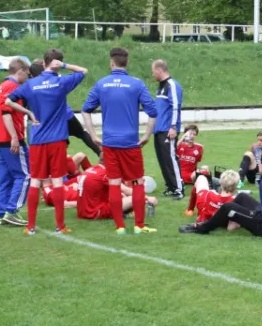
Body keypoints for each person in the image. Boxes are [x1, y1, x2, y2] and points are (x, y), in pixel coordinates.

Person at [6, 48, 87, 235]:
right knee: (57, 180)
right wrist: (65, 66)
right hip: (57, 139)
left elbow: (8, 101)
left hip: (37, 139)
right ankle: (60, 226)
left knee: (35, 180)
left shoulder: (31, 84)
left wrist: (28, 113)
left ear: (43, 63)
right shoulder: (61, 81)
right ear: (57, 63)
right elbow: (83, 71)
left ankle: (31, 227)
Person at [82, 47, 157, 235]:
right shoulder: (136, 84)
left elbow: (85, 110)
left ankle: (120, 227)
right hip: (130, 143)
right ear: (127, 62)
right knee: (138, 182)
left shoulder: (101, 84)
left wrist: (92, 135)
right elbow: (153, 112)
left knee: (114, 184)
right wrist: (147, 135)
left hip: (110, 143)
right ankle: (139, 225)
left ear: (111, 63)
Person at [29, 59, 101, 156]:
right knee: (81, 133)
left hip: (50, 121)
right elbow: (82, 71)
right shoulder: (56, 81)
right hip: (66, 116)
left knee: (55, 143)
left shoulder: (31, 86)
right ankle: (101, 153)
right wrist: (63, 65)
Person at [0, 58, 30, 227]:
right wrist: (14, 137)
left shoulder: (2, 86)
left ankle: (1, 214)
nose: (28, 77)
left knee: (5, 178)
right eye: (27, 73)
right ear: (20, 71)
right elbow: (6, 113)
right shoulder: (12, 87)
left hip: (0, 140)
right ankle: (12, 211)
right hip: (10, 140)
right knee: (24, 176)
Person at [151, 59, 184, 199]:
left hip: (167, 129)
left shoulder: (172, 85)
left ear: (159, 70)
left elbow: (176, 106)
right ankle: (170, 186)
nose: (153, 75)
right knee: (162, 159)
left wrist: (173, 127)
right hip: (158, 129)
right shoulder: (160, 86)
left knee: (171, 158)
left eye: (153, 72)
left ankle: (179, 188)